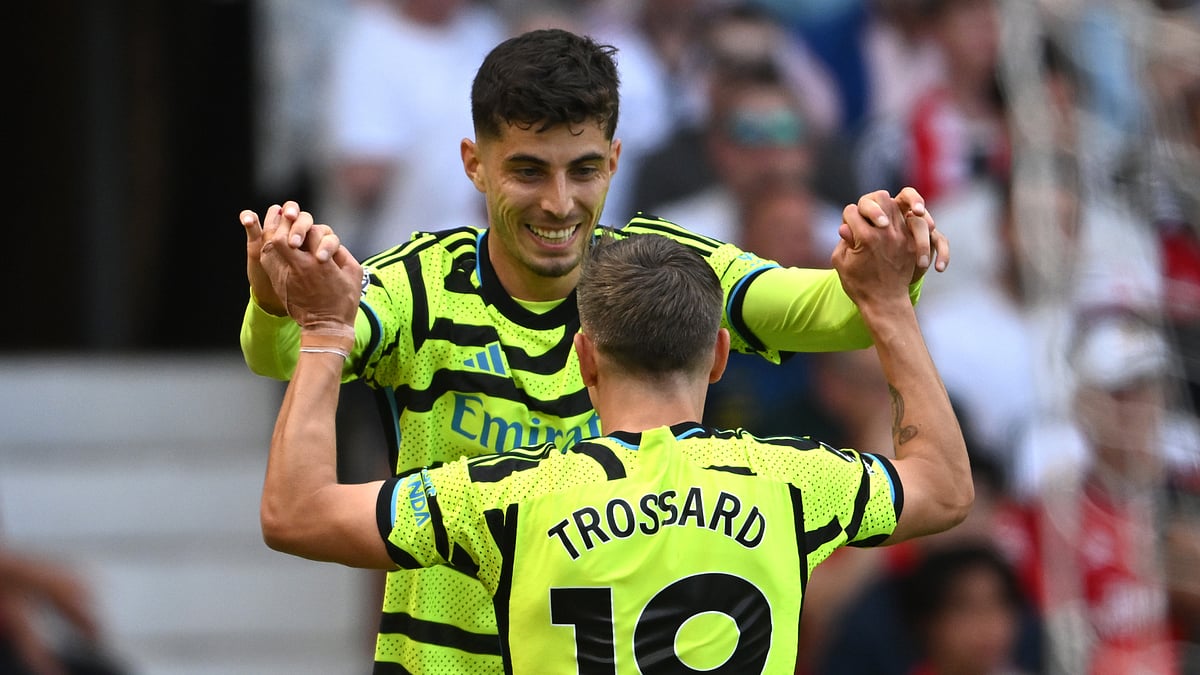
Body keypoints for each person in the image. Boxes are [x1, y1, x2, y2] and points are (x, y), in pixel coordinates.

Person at [240, 27, 949, 674]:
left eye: (583, 169)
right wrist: (275, 302)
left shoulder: (655, 273)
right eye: (528, 171)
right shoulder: (415, 284)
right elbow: (288, 351)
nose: (559, 202)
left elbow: (834, 310)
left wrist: (894, 259)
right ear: (474, 165)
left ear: (613, 161)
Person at [255, 203, 972, 673]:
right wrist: (887, 305)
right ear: (719, 357)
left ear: (585, 359)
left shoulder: (508, 497)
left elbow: (295, 512)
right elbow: (943, 488)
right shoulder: (793, 484)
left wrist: (323, 332)